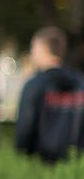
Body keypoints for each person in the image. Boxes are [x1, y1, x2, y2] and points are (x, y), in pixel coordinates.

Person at [13, 26, 84, 163]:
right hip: (77, 165)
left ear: (44, 49)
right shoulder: (80, 84)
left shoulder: (34, 86)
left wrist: (23, 156)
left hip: (41, 164)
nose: (32, 53)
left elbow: (25, 130)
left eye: (33, 48)